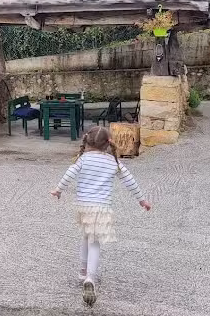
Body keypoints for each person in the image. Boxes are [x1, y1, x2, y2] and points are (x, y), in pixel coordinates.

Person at [51, 125, 151, 306]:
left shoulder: (83, 159)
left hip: (83, 207)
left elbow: (69, 173)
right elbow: (130, 181)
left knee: (85, 237)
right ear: (108, 143)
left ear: (87, 141)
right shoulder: (113, 162)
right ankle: (90, 278)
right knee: (95, 242)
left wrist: (58, 190)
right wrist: (142, 200)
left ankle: (82, 270)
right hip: (101, 209)